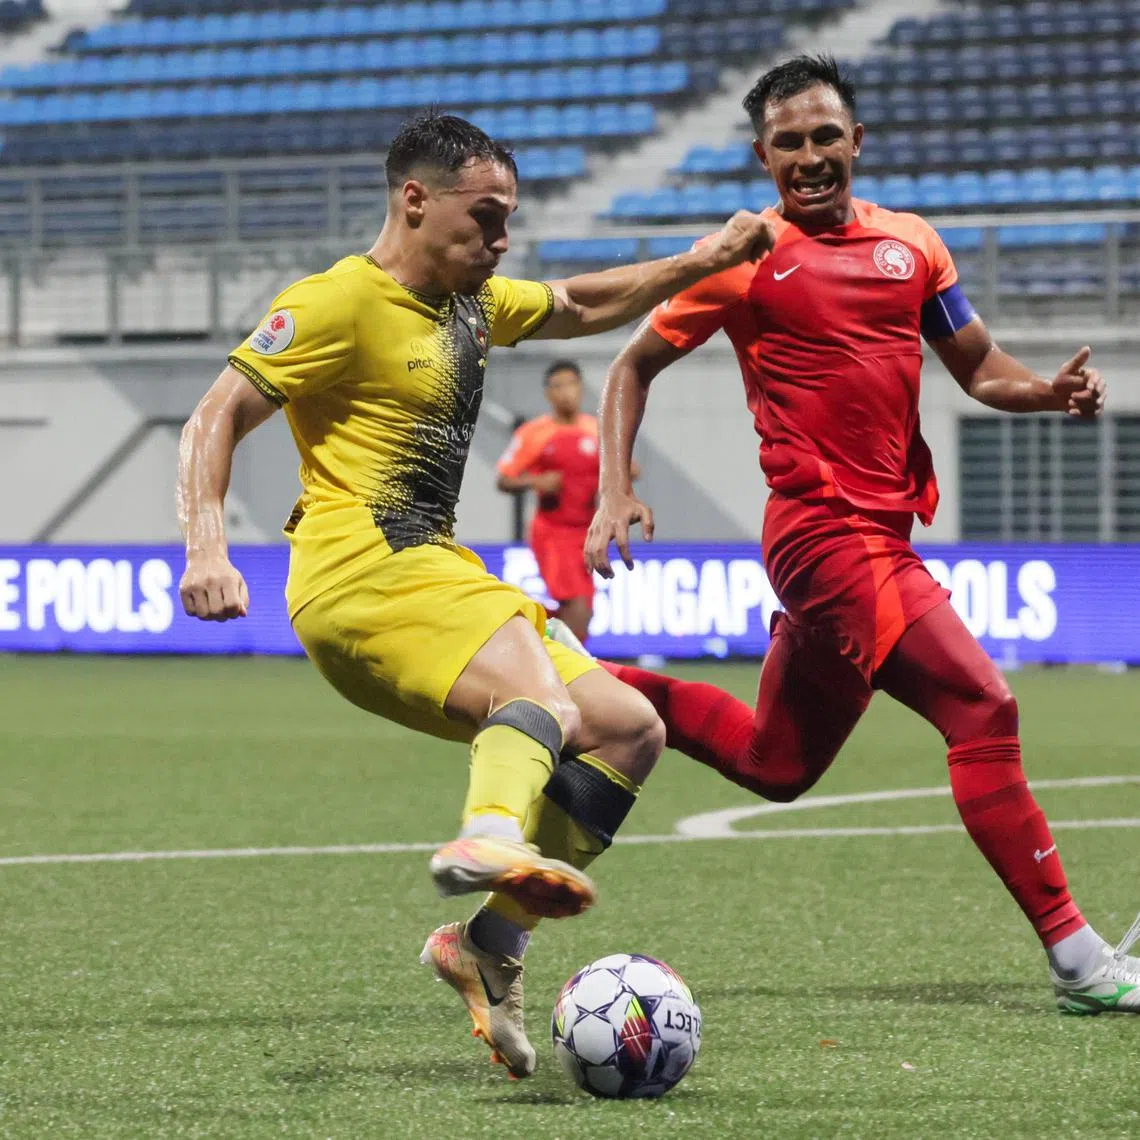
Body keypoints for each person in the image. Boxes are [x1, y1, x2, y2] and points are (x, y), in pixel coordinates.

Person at [176, 110, 774, 1078]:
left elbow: (582, 303)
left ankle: (488, 947)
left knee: (626, 728)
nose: (501, 241)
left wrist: (703, 258)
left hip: (436, 566)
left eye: (509, 221)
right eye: (485, 217)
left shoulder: (473, 301)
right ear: (415, 199)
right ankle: (491, 836)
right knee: (533, 696)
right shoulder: (335, 302)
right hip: (359, 571)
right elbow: (217, 412)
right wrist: (208, 545)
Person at [583, 56, 1140, 1015]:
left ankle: (576, 682)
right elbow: (632, 366)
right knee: (984, 709)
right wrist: (614, 489)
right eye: (789, 143)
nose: (810, 157)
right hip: (823, 533)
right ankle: (1080, 962)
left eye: (825, 137)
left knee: (775, 764)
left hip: (880, 531)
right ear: (763, 157)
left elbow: (976, 366)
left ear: (856, 142)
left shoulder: (913, 245)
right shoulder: (741, 260)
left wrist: (1043, 390)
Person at [496, 360, 636, 644]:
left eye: (572, 384)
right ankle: (568, 671)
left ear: (582, 388)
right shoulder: (534, 433)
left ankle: (522, 629)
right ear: (548, 393)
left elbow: (631, 469)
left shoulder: (596, 430)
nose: (567, 393)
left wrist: (612, 479)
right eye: (559, 386)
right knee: (578, 608)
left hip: (586, 533)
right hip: (552, 533)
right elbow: (504, 479)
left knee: (582, 611)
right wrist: (535, 481)